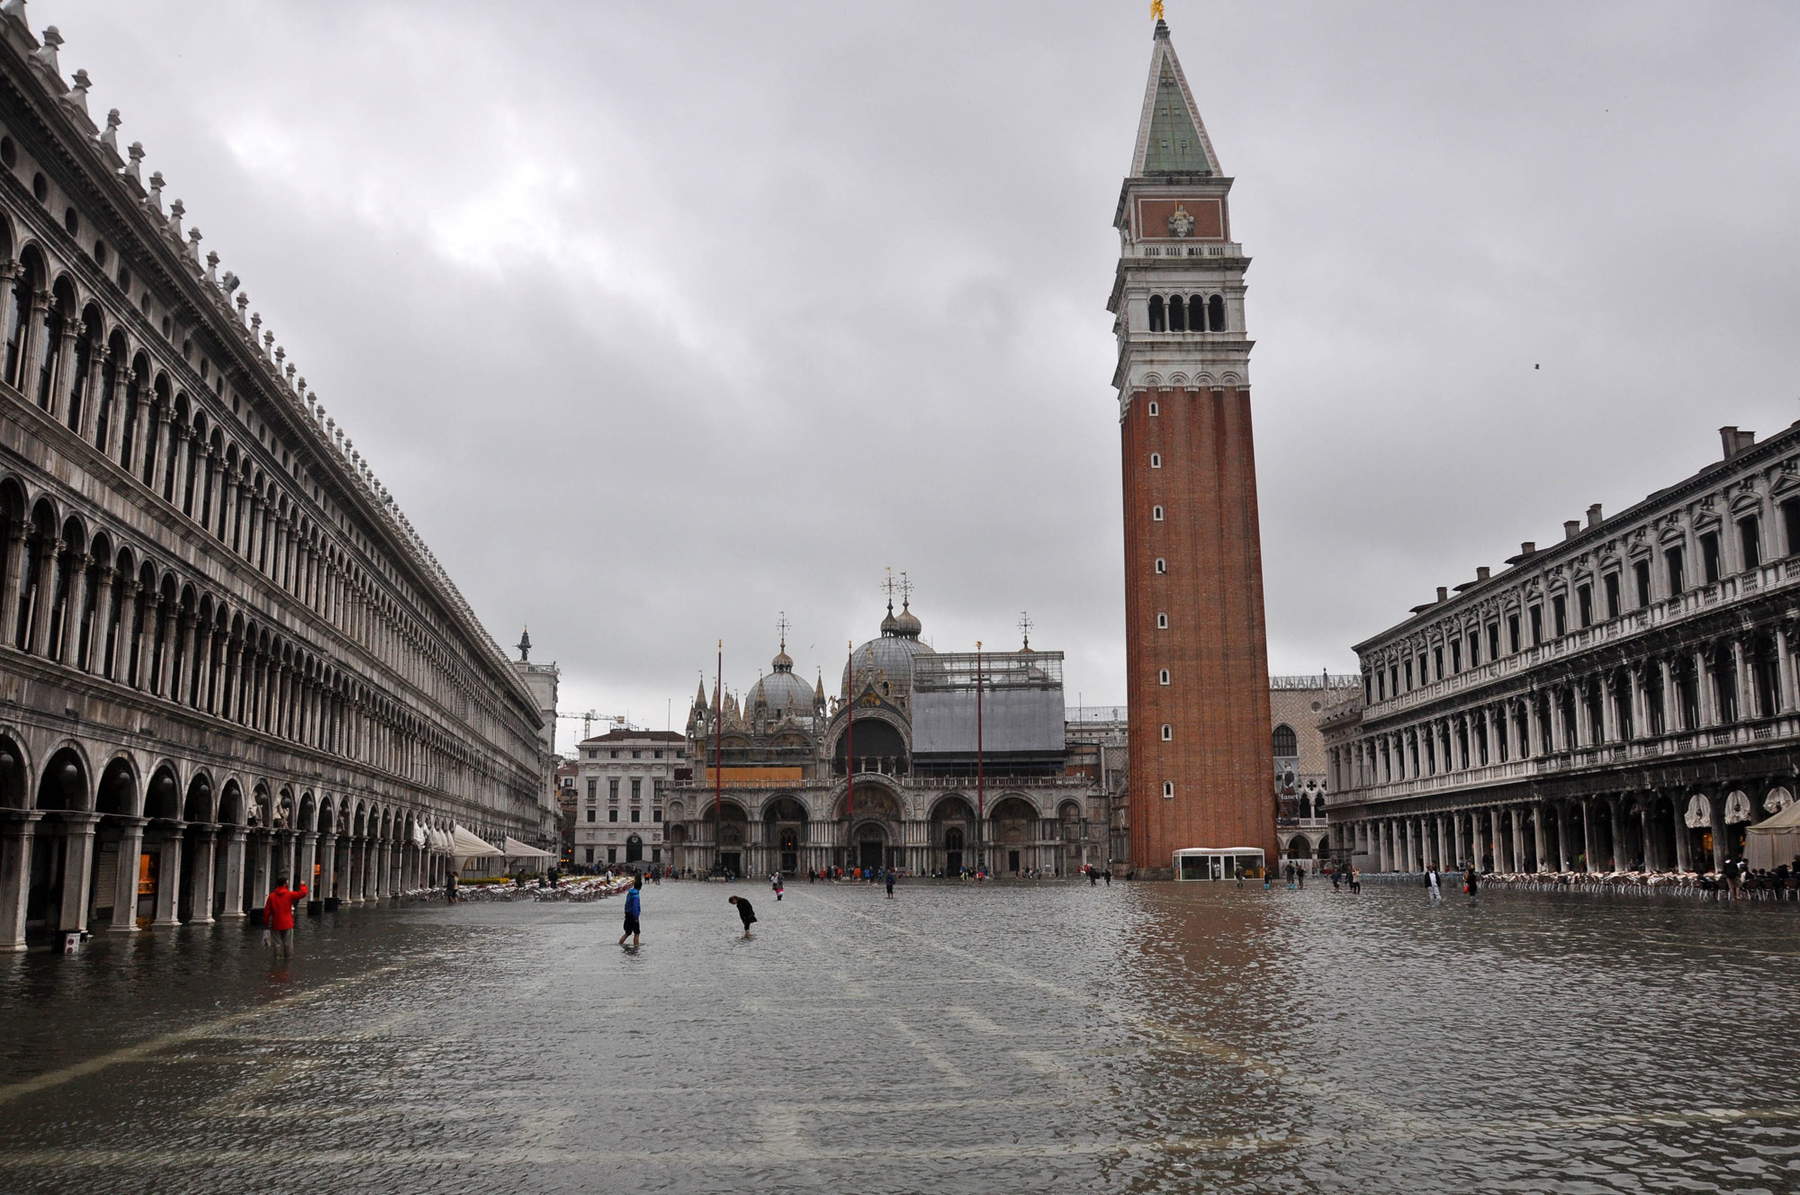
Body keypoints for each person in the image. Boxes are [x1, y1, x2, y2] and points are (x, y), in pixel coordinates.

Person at [263, 875, 308, 961]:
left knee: (277, 943)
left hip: (275, 924)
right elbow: (302, 894)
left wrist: (266, 924)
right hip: (287, 923)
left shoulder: (272, 896)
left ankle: (277, 959)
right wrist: (302, 885)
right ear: (284, 884)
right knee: (288, 943)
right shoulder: (289, 894)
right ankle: (288, 959)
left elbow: (266, 911)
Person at [619, 877, 642, 948]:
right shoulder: (636, 896)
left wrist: (626, 913)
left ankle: (620, 944)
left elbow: (626, 904)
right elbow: (635, 907)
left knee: (627, 932)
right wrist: (636, 917)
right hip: (633, 916)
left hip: (628, 914)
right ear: (640, 887)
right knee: (637, 933)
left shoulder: (630, 893)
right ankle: (636, 947)